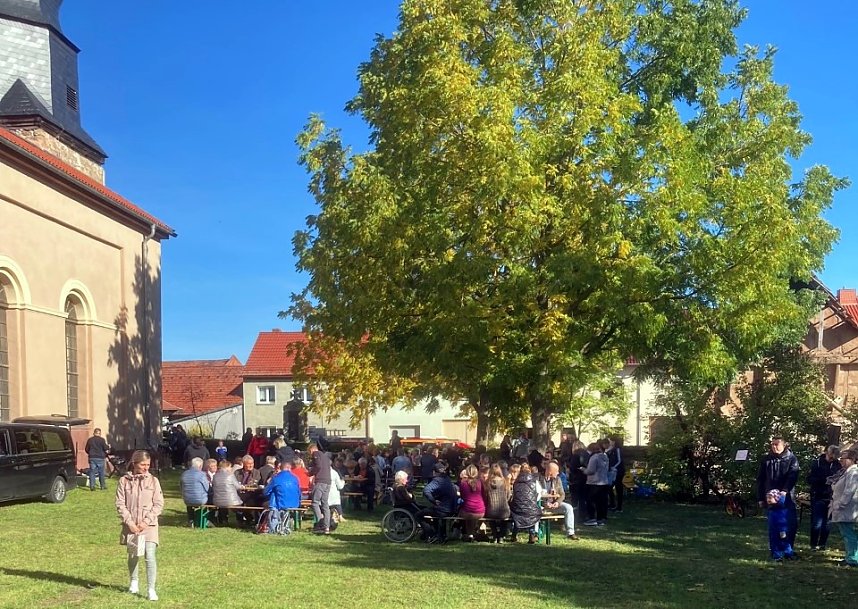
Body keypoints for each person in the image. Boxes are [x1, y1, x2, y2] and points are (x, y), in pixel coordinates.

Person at [115, 450, 164, 602]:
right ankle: (134, 581)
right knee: (133, 554)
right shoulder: (124, 481)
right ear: (134, 464)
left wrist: (145, 522)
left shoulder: (153, 481)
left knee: (150, 555)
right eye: (143, 464)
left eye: (148, 465)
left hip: (148, 525)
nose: (145, 467)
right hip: (131, 525)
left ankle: (151, 589)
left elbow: (158, 504)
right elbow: (120, 503)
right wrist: (130, 522)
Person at [756, 435, 800, 553]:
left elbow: (793, 476)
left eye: (777, 444)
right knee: (774, 526)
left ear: (784, 445)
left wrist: (785, 491)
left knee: (790, 525)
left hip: (787, 497)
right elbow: (761, 479)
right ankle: (776, 551)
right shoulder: (766, 459)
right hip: (770, 497)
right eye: (772, 444)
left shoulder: (791, 458)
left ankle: (788, 550)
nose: (774, 447)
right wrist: (761, 497)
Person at [807, 445, 842, 550]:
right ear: (827, 453)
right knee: (817, 522)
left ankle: (822, 544)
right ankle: (813, 544)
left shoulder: (837, 465)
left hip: (832, 497)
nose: (832, 459)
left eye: (834, 457)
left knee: (828, 522)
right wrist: (823, 480)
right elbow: (809, 479)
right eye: (831, 456)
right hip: (818, 495)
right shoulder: (817, 463)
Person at [830, 449, 858, 567]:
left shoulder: (853, 472)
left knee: (849, 534)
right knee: (847, 533)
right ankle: (850, 556)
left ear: (852, 460)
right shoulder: (846, 471)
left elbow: (849, 491)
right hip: (843, 508)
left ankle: (852, 559)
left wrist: (840, 504)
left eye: (843, 458)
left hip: (847, 509)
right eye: (840, 458)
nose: (841, 460)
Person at [541, 461, 578, 539]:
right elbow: (535, 495)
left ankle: (570, 533)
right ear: (550, 472)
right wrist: (544, 503)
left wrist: (557, 503)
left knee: (568, 507)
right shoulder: (538, 479)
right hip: (542, 506)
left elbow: (562, 494)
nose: (558, 473)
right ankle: (535, 533)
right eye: (556, 471)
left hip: (555, 504)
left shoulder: (557, 479)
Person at [423, 462, 458, 542]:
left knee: (419, 514)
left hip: (443, 510)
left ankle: (430, 534)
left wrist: (433, 501)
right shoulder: (447, 479)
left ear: (434, 472)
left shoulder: (437, 481)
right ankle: (441, 535)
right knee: (433, 513)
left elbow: (426, 490)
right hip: (452, 508)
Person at [264, 460, 301, 534]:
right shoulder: (295, 478)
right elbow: (299, 492)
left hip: (281, 504)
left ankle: (273, 526)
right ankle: (282, 525)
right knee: (276, 492)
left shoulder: (276, 478)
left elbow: (265, 492)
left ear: (280, 468)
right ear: (290, 468)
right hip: (295, 503)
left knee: (273, 495)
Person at [509, 463, 541, 543]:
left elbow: (513, 495)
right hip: (531, 508)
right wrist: (533, 501)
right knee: (532, 513)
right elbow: (539, 493)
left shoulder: (515, 482)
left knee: (517, 515)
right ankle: (532, 535)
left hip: (518, 509)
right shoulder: (535, 481)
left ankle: (514, 535)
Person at [581, 441, 610, 526]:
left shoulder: (594, 457)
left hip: (593, 482)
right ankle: (601, 518)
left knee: (591, 501)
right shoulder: (605, 456)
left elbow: (591, 471)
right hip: (604, 481)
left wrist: (583, 470)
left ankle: (592, 518)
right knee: (601, 502)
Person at [308, 442, 333, 534]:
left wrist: (311, 473)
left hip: (320, 481)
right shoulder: (325, 456)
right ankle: (327, 527)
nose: (310, 454)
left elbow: (318, 466)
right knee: (325, 504)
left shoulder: (316, 454)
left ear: (312, 449)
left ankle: (320, 523)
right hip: (328, 481)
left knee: (314, 502)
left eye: (309, 452)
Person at [766, 489, 797, 561]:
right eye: (767, 498)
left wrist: (783, 529)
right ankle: (777, 555)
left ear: (776, 498)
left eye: (770, 498)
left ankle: (789, 554)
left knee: (785, 541)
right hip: (773, 530)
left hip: (782, 529)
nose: (768, 500)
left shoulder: (782, 509)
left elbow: (784, 520)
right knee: (774, 542)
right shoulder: (771, 509)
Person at [180, 457, 210, 527]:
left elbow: (181, 486)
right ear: (200, 466)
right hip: (200, 500)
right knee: (209, 499)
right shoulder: (202, 474)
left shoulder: (184, 474)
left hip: (187, 499)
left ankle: (191, 520)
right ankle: (205, 519)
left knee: (190, 503)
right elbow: (207, 488)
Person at [457, 464, 485, 542]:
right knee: (471, 515)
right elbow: (483, 495)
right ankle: (472, 533)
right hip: (480, 511)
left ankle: (467, 533)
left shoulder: (463, 483)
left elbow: (462, 497)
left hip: (468, 511)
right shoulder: (480, 482)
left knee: (462, 512)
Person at [484, 463, 511, 543]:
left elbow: (485, 497)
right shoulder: (505, 482)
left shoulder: (487, 483)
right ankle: (502, 536)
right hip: (504, 510)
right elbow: (508, 496)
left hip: (491, 511)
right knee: (505, 517)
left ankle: (495, 535)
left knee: (491, 517)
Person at [212, 459, 242, 525]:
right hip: (231, 501)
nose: (231, 468)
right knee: (240, 505)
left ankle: (223, 520)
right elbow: (238, 487)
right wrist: (243, 486)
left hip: (217, 500)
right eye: (230, 467)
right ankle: (240, 521)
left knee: (222, 504)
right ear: (227, 467)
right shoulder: (230, 475)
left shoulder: (215, 476)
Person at [607, 436, 626, 513]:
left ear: (614, 441)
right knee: (609, 487)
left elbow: (619, 460)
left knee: (618, 488)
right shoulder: (612, 449)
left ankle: (619, 507)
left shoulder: (617, 449)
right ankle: (612, 504)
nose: (609, 442)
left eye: (610, 441)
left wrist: (613, 467)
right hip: (613, 471)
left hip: (618, 471)